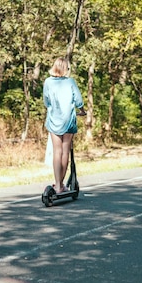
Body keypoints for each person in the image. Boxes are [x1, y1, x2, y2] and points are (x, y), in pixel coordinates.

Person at [43, 57, 86, 194]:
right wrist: (82, 111)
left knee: (57, 151)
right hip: (68, 120)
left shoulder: (48, 82)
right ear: (65, 68)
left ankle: (57, 184)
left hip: (54, 120)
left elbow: (46, 101)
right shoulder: (70, 82)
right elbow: (79, 100)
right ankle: (61, 184)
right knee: (65, 150)